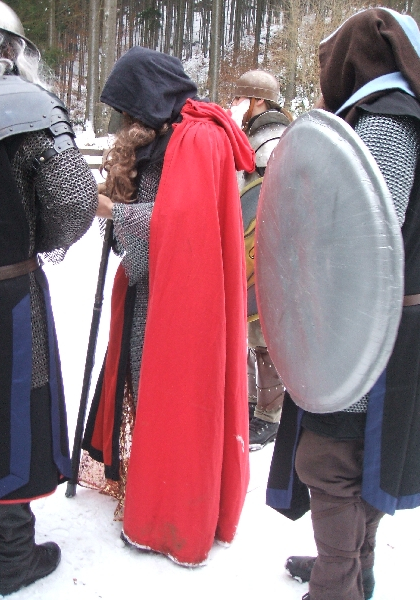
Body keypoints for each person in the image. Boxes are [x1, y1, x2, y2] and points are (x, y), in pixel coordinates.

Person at [266, 8, 420, 600]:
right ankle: (355, 567)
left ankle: (337, 585)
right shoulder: (400, 112)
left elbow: (365, 235)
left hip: (367, 320)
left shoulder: (388, 119)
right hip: (387, 318)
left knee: (332, 459)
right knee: (363, 455)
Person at [79, 46, 254, 566]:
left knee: (177, 403)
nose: (124, 119)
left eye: (128, 107)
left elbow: (180, 226)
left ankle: (171, 518)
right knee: (149, 393)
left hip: (182, 305)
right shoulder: (169, 133)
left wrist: (113, 211)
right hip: (154, 294)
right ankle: (151, 492)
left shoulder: (197, 137)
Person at [0, 1, 98, 596]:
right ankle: (14, 557)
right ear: (9, 48)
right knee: (12, 409)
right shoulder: (28, 108)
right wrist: (31, 243)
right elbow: (74, 203)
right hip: (8, 297)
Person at [230, 70, 292, 450]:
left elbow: (271, 201)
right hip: (255, 250)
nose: (237, 104)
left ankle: (269, 416)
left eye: (243, 98)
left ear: (258, 100)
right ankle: (253, 406)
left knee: (264, 336)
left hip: (270, 251)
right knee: (252, 332)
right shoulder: (254, 136)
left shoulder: (272, 139)